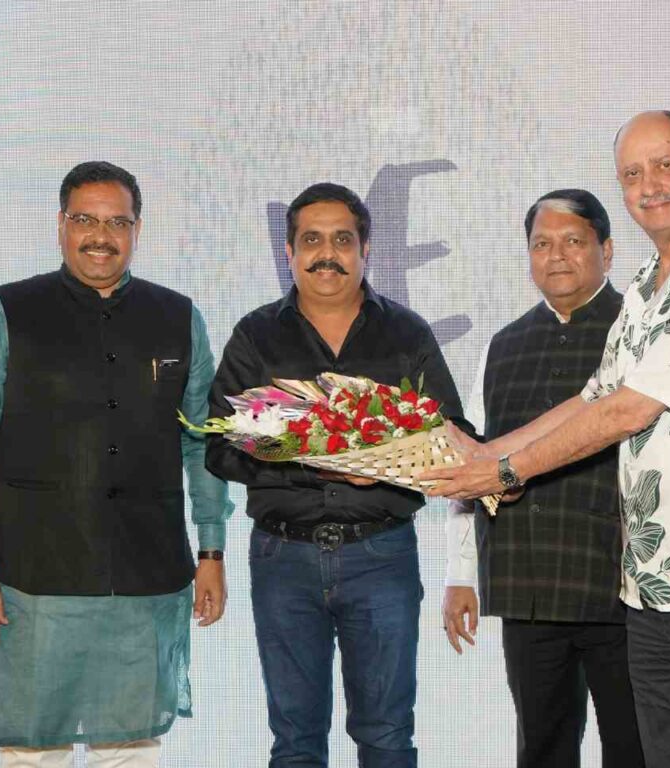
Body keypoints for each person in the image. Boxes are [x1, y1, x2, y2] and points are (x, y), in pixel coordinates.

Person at [423, 111, 670, 768]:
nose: (649, 185)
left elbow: (628, 410)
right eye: (632, 173)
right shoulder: (643, 289)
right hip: (654, 595)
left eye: (665, 165)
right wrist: (487, 455)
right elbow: (593, 397)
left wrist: (506, 472)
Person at [0, 161, 233, 768]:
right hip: (31, 579)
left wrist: (211, 551)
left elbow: (201, 442)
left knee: (129, 753)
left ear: (137, 230)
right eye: (85, 220)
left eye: (117, 222)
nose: (101, 236)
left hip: (146, 575)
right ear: (61, 225)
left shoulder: (177, 317)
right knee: (32, 754)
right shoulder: (6, 312)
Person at [206, 182, 468, 768]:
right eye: (312, 240)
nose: (328, 254)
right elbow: (217, 446)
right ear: (290, 251)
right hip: (283, 558)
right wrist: (304, 453)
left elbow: (454, 435)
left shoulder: (406, 333)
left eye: (342, 240)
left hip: (381, 556)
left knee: (387, 738)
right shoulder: (256, 335)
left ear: (365, 249)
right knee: (295, 742)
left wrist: (388, 466)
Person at [442, 189, 643, 767]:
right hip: (526, 581)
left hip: (622, 586)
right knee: (541, 748)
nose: (556, 256)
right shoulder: (503, 345)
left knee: (635, 747)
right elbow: (476, 464)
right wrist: (461, 574)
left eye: (573, 241)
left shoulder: (640, 331)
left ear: (607, 250)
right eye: (541, 244)